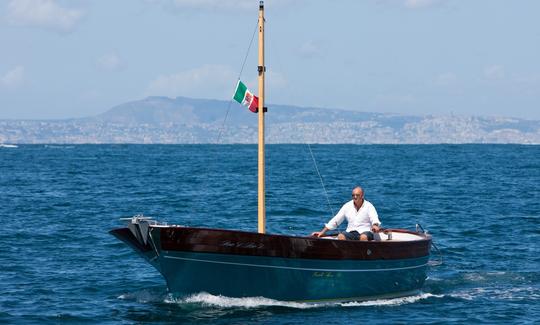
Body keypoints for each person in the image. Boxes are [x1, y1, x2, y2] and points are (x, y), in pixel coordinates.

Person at [311, 186, 381, 241]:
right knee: (341, 236)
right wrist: (322, 232)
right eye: (353, 195)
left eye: (357, 195)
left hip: (365, 232)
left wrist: (375, 225)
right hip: (351, 232)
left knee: (363, 237)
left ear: (362, 196)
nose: (355, 197)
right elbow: (336, 220)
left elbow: (374, 218)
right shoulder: (347, 206)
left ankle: (364, 256)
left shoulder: (369, 206)